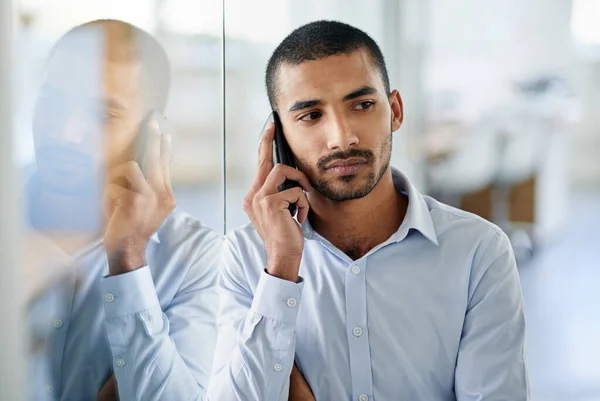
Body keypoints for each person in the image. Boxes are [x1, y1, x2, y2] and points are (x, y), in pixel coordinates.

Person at [209, 20, 529, 401]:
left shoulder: (478, 251)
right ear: (279, 135)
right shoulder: (248, 256)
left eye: (362, 105)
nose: (342, 138)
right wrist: (279, 272)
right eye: (311, 115)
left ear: (394, 110)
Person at [24, 19, 220, 401]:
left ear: (153, 134)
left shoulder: (195, 257)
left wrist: (128, 262)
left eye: (102, 115)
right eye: (53, 103)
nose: (64, 132)